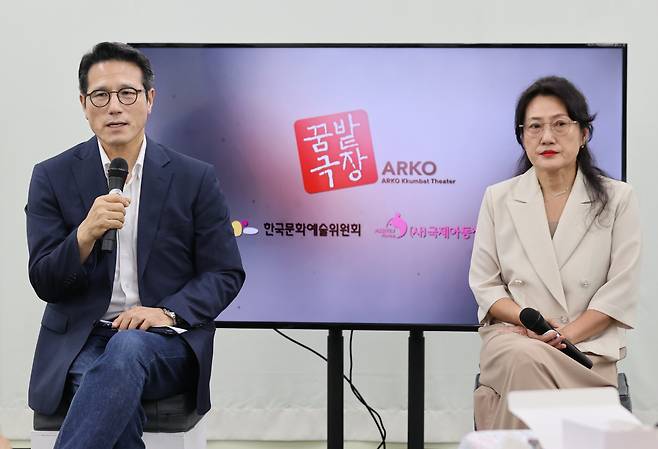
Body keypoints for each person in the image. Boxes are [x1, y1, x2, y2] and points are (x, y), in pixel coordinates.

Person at [25, 42, 245, 448]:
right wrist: (84, 235)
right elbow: (44, 280)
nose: (115, 107)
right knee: (109, 393)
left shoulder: (193, 178)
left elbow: (225, 273)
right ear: (84, 104)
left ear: (149, 100)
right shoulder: (51, 176)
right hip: (82, 340)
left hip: (165, 342)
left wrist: (166, 311)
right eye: (101, 96)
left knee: (126, 351)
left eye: (127, 93)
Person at [469, 76, 641, 430]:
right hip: (514, 336)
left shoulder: (617, 199)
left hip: (586, 352)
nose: (547, 137)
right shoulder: (498, 198)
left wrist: (564, 336)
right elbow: (486, 286)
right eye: (534, 127)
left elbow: (619, 291)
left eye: (560, 124)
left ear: (584, 133)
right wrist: (530, 323)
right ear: (522, 137)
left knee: (527, 365)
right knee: (521, 355)